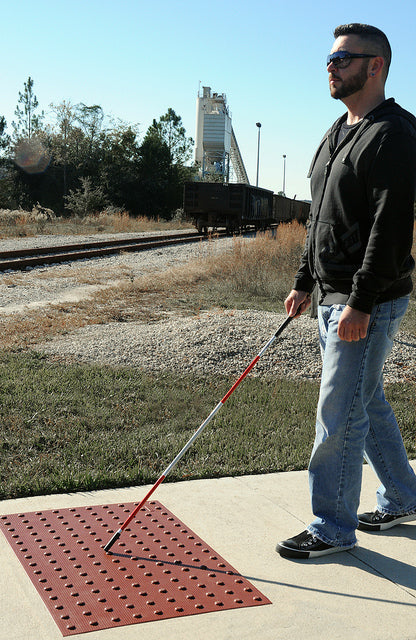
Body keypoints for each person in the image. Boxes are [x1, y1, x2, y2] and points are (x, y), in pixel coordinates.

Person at [276, 23, 416, 559]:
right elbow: (322, 217)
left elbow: (390, 227)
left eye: (342, 60)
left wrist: (359, 301)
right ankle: (404, 495)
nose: (331, 68)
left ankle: (332, 527)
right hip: (332, 296)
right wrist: (303, 280)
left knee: (339, 415)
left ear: (375, 65)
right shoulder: (339, 131)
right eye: (329, 60)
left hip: (367, 302)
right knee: (366, 400)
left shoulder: (395, 134)